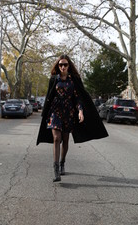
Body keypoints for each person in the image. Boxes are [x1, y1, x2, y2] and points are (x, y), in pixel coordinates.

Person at [37, 54, 108, 182]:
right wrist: (45, 111)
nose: (63, 66)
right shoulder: (54, 79)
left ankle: (62, 161)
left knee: (65, 139)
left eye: (65, 64)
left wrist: (80, 111)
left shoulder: (73, 80)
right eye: (60, 64)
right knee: (56, 138)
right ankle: (56, 169)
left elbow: (77, 97)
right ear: (58, 66)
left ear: (69, 66)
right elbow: (50, 95)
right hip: (55, 111)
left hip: (68, 113)